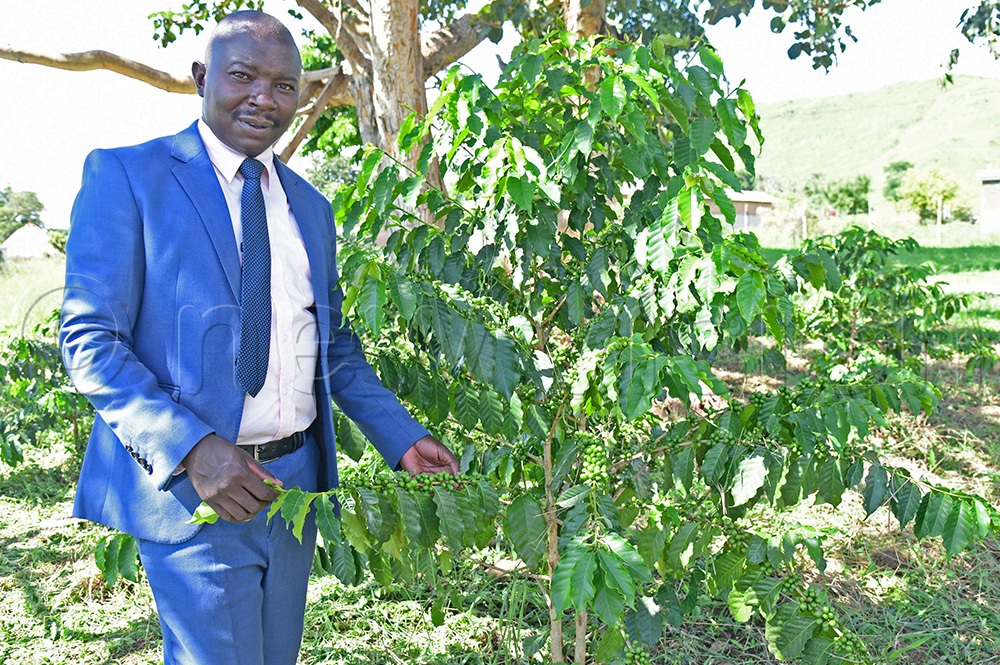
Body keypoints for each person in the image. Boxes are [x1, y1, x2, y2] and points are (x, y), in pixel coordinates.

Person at [59, 10, 459, 665]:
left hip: (294, 484)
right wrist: (190, 449)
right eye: (243, 76)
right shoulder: (128, 178)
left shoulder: (310, 206)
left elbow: (331, 344)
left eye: (284, 86)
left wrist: (401, 435)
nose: (264, 98)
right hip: (196, 489)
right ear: (200, 77)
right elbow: (89, 341)